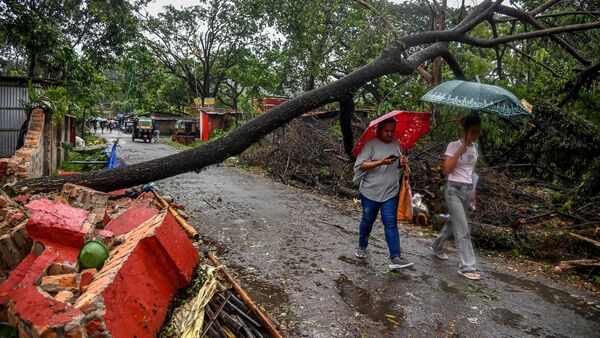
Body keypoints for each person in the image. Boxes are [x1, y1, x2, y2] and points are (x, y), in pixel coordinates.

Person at [353, 117, 414, 269]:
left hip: (390, 192)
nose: (389, 134)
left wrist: (402, 163)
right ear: (379, 129)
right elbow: (361, 165)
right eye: (387, 131)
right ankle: (362, 246)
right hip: (370, 191)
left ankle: (396, 257)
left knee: (391, 223)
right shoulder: (370, 144)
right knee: (368, 220)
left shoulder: (397, 145)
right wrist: (380, 162)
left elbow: (397, 168)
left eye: (392, 131)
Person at [431, 114, 482, 280]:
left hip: (467, 190)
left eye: (477, 132)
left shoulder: (474, 148)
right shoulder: (454, 146)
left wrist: (473, 191)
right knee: (462, 227)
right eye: (473, 131)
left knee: (454, 223)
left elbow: (471, 172)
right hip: (453, 189)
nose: (475, 135)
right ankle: (467, 266)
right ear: (466, 130)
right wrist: (459, 151)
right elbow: (447, 169)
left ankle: (437, 246)